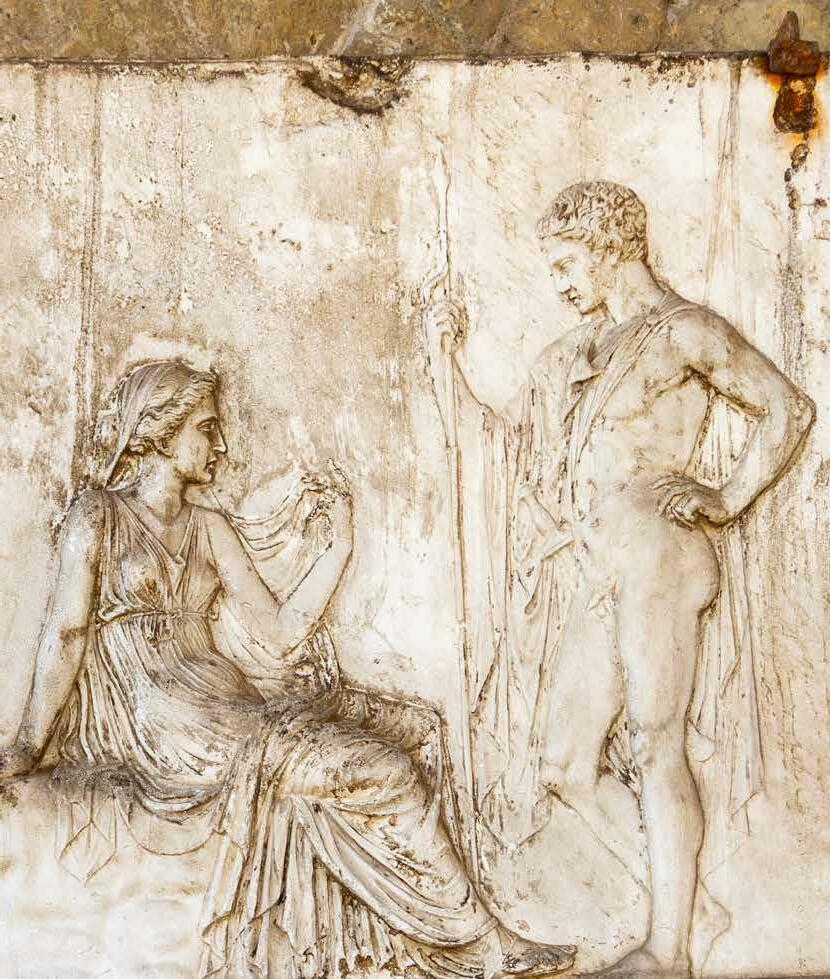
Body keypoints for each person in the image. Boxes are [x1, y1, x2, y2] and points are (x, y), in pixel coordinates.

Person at [0, 359, 576, 979]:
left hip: (226, 701)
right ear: (161, 432)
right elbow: (66, 634)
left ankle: (441, 933)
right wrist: (29, 744)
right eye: (206, 428)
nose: (221, 445)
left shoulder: (208, 526)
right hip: (166, 722)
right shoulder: (97, 515)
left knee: (416, 728)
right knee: (382, 769)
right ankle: (479, 943)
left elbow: (279, 633)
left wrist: (339, 546)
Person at [423, 181, 815, 977]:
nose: (559, 283)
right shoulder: (577, 353)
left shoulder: (684, 331)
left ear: (610, 249)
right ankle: (688, 900)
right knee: (564, 764)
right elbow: (502, 440)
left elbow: (788, 409)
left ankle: (669, 950)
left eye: (568, 264)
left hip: (659, 553)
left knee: (653, 742)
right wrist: (442, 356)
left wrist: (729, 497)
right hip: (600, 564)